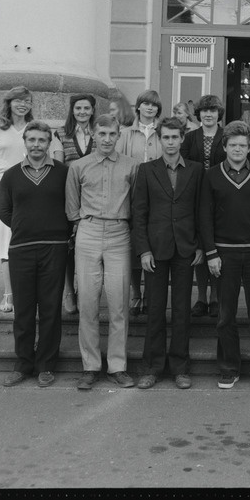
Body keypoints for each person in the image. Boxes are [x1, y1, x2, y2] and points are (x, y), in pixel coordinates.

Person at [199, 120, 250, 390]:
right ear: (224, 146)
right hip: (224, 253)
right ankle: (229, 368)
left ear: (249, 148)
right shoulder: (211, 175)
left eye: (242, 145)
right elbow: (204, 218)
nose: (237, 149)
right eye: (232, 145)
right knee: (225, 315)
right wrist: (211, 253)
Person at [65, 114, 139, 390]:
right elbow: (71, 206)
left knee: (119, 303)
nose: (107, 139)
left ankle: (117, 365)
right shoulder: (79, 166)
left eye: (112, 134)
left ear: (119, 136)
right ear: (93, 135)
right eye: (102, 134)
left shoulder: (132, 166)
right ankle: (90, 365)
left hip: (120, 233)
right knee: (88, 301)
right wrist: (83, 223)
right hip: (89, 231)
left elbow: (136, 203)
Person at [131, 116, 204, 390]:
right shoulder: (147, 170)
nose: (171, 142)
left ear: (182, 139)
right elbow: (140, 213)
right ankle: (151, 367)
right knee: (155, 310)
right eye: (166, 137)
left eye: (175, 137)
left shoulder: (196, 170)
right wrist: (144, 250)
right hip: (156, 249)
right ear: (159, 140)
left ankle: (180, 367)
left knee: (183, 310)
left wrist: (199, 245)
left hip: (186, 248)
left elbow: (201, 210)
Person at [0, 121, 71, 388]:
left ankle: (46, 365)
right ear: (25, 142)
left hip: (55, 246)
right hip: (21, 249)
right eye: (32, 140)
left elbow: (72, 207)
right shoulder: (11, 175)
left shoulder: (63, 173)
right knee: (24, 310)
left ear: (49, 142)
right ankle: (23, 364)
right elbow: (3, 211)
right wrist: (25, 226)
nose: (36, 145)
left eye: (42, 140)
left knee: (51, 308)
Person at [0, 86, 61, 312]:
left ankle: (31, 292)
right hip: (6, 186)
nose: (22, 105)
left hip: (32, 186)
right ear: (9, 103)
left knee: (28, 240)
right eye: (18, 100)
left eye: (27, 101)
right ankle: (9, 294)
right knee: (6, 244)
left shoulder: (34, 129)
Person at [116, 89, 163, 318]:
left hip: (159, 195)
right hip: (132, 192)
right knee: (135, 243)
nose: (150, 108)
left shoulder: (163, 132)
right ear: (138, 106)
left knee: (154, 242)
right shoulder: (125, 134)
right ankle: (136, 293)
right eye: (146, 104)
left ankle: (152, 293)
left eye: (154, 105)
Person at [181, 94, 227, 319]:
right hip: (196, 195)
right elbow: (184, 164)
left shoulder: (226, 136)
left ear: (219, 114)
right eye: (205, 111)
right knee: (200, 244)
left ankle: (216, 298)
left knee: (216, 243)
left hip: (221, 195)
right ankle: (200, 297)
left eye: (213, 110)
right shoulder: (190, 137)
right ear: (198, 114)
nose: (208, 114)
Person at [53, 93, 97, 315]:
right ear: (72, 110)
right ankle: (69, 291)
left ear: (92, 110)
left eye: (86, 108)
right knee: (68, 246)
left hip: (93, 197)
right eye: (78, 108)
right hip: (69, 196)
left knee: (89, 246)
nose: (82, 112)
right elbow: (59, 166)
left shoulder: (99, 133)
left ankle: (87, 291)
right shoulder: (61, 133)